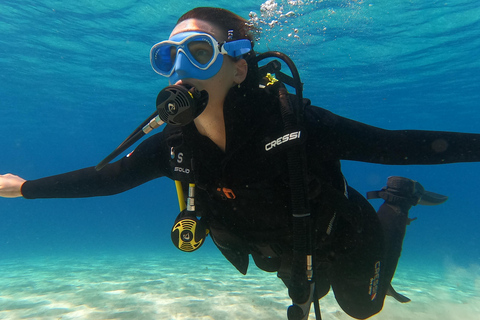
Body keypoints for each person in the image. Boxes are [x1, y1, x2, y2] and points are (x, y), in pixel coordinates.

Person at [1, 6, 479, 320]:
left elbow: (398, 143)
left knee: (362, 309)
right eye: (168, 57)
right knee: (308, 297)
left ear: (239, 67)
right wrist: (25, 187)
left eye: (199, 52)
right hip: (286, 253)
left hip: (344, 236)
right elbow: (110, 179)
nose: (180, 70)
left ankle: (397, 199)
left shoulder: (296, 124)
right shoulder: (174, 144)